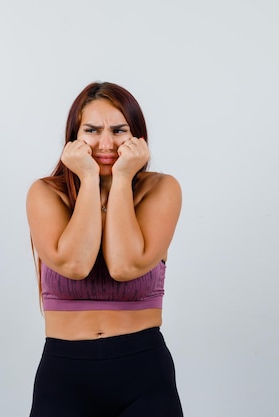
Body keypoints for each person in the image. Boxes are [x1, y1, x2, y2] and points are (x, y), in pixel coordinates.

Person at [26, 81, 183, 417]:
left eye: (119, 130)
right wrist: (88, 179)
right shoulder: (46, 194)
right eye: (92, 130)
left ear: (137, 136)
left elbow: (125, 266)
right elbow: (76, 265)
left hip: (144, 373)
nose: (106, 143)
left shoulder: (161, 189)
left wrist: (123, 179)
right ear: (73, 136)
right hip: (63, 376)